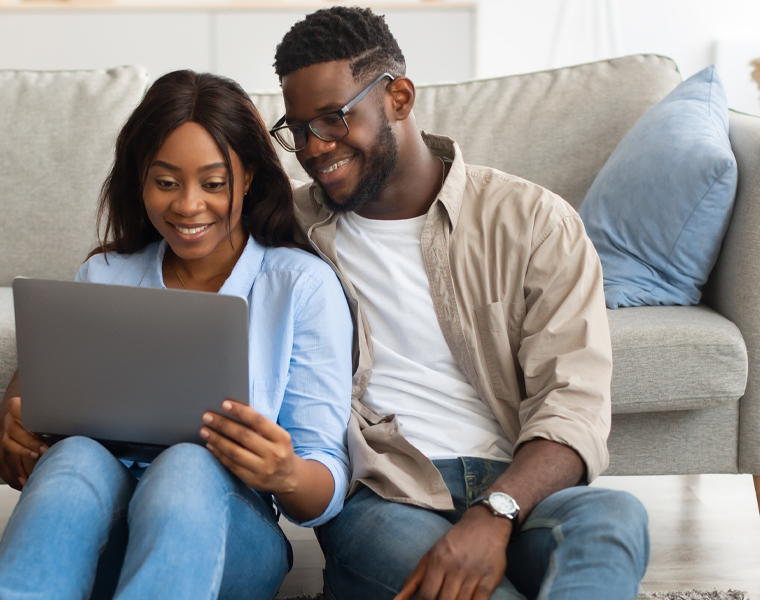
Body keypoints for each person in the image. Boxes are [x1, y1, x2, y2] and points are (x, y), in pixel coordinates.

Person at [268, 7, 650, 600]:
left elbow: (572, 402)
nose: (313, 148)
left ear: (398, 97)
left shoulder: (533, 222)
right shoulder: (286, 230)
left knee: (615, 518)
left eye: (333, 120)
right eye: (296, 129)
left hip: (521, 485)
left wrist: (496, 511)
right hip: (384, 498)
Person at [0, 70, 355, 600]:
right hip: (100, 537)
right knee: (74, 458)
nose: (187, 206)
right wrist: (15, 430)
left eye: (213, 183)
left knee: (186, 462)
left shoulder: (300, 286)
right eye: (165, 182)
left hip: (225, 538)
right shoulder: (104, 277)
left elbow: (327, 487)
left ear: (247, 178)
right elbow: (30, 414)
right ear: (140, 180)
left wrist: (287, 472)